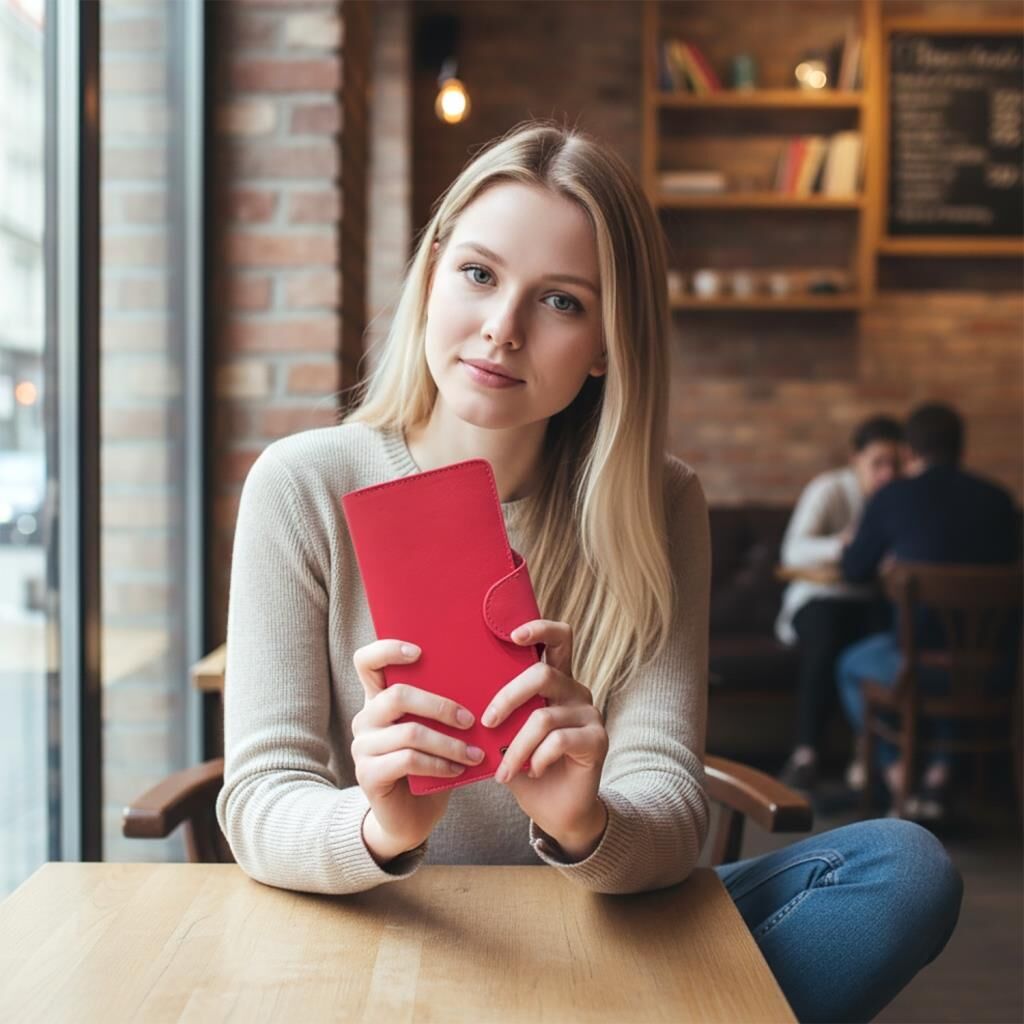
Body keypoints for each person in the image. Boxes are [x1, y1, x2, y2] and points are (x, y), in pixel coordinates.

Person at [215, 121, 961, 1023]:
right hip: (397, 931)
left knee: (904, 870)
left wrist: (588, 823)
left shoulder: (656, 502)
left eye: (561, 302)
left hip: (598, 935)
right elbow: (259, 797)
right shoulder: (303, 483)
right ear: (434, 274)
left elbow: (668, 803)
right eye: (480, 275)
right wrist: (379, 827)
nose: (502, 329)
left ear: (608, 343)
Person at [838, 402, 1019, 819]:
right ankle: (939, 779)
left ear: (910, 452)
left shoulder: (892, 498)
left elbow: (853, 570)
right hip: (994, 670)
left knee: (850, 664)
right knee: (953, 658)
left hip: (914, 669)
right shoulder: (999, 501)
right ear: (962, 450)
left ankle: (901, 781)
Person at [776, 416, 903, 793]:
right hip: (817, 599)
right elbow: (792, 551)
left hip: (868, 601)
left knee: (887, 638)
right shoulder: (829, 490)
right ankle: (805, 754)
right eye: (878, 463)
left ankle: (869, 759)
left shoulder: (898, 498)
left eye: (896, 464)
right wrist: (844, 546)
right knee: (829, 634)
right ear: (855, 459)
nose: (887, 473)